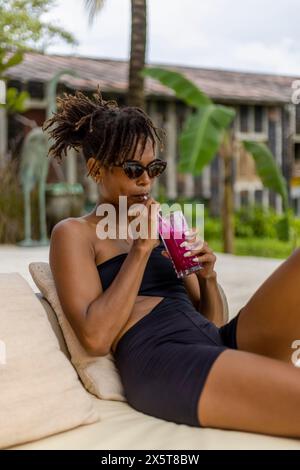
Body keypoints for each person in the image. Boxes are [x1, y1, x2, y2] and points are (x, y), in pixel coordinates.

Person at [44, 88, 300, 438]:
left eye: (154, 168)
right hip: (164, 361)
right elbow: (95, 337)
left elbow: (210, 319)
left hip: (213, 340)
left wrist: (208, 277)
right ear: (96, 169)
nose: (146, 180)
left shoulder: (165, 223)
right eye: (133, 169)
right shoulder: (75, 234)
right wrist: (141, 249)